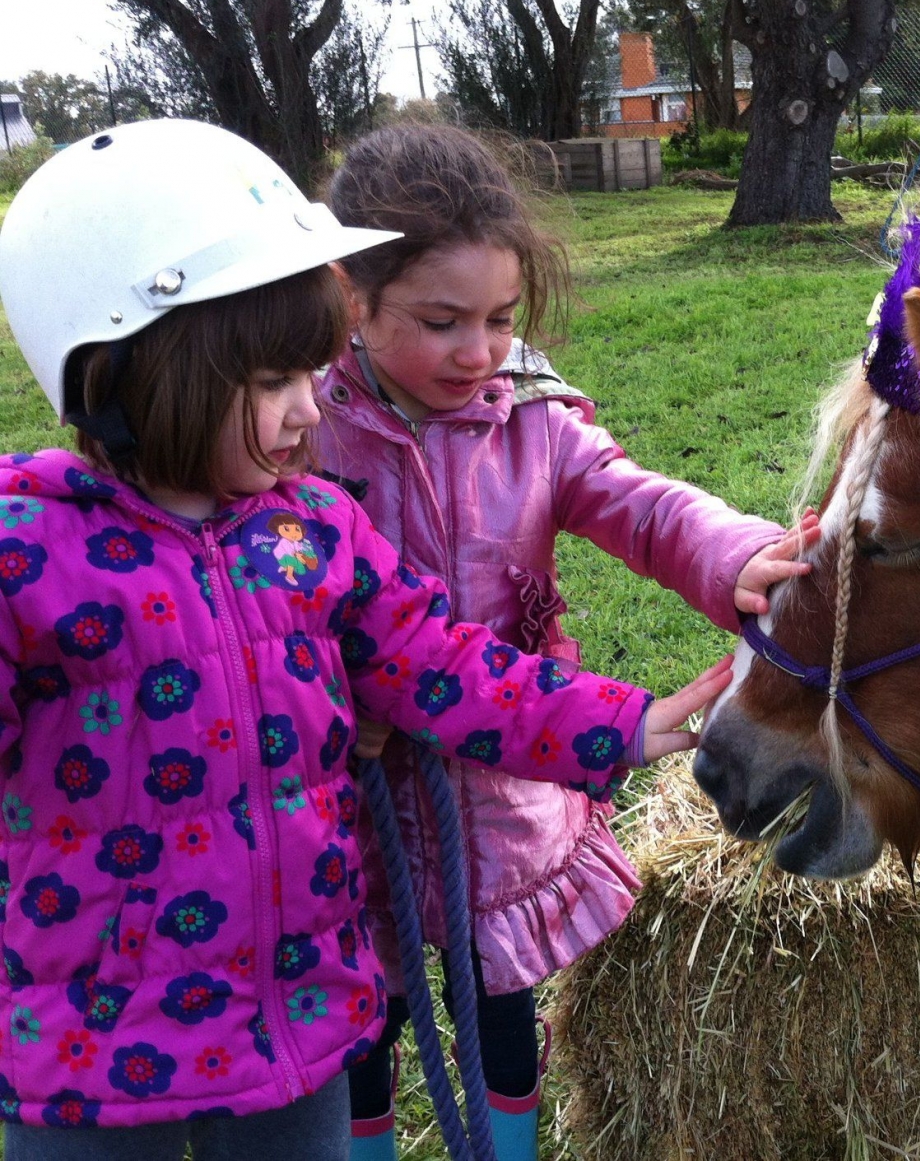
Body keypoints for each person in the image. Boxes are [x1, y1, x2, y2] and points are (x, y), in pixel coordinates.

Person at [0, 118, 730, 1159]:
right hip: (92, 1054)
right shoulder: (25, 559)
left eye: (311, 373)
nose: (308, 412)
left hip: (294, 1026)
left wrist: (621, 722)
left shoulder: (310, 530)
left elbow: (446, 665)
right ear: (127, 369)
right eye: (272, 384)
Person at [314, 123, 816, 1161]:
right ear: (350, 298)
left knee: (502, 1005)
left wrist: (736, 558)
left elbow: (640, 504)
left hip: (505, 781)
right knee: (360, 1023)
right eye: (440, 320)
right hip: (347, 798)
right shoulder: (300, 424)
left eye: (500, 318)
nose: (478, 350)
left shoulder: (532, 420)